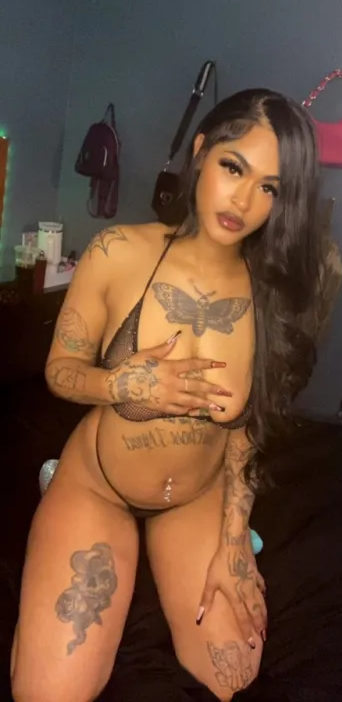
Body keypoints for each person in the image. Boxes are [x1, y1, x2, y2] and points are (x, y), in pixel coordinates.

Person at [11, 88, 321, 702]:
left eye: (269, 187)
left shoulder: (270, 291)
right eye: (234, 167)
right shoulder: (118, 252)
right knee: (48, 693)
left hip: (196, 498)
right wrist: (119, 384)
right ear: (202, 151)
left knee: (233, 675)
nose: (243, 201)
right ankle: (59, 486)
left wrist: (233, 540)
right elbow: (60, 371)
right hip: (102, 485)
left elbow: (248, 426)